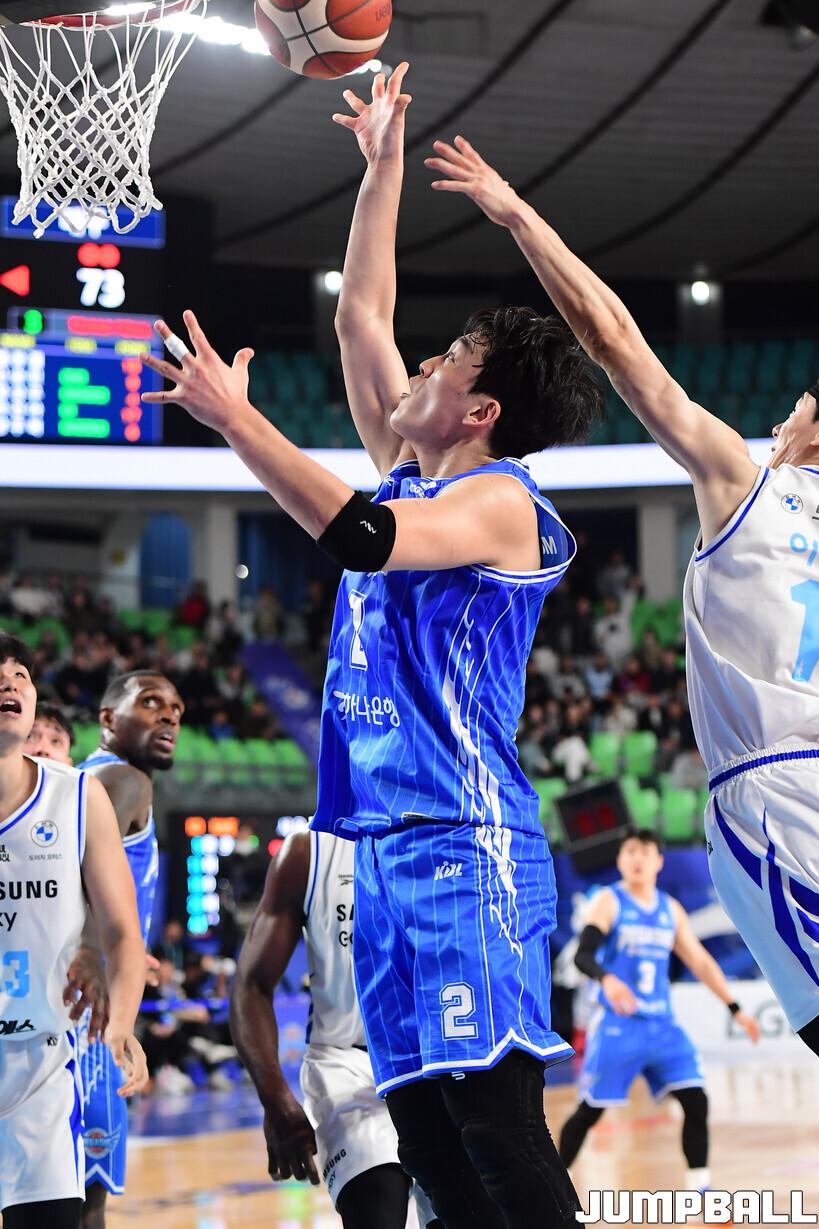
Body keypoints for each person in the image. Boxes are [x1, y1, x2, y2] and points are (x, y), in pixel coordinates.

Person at [143, 60, 603, 1229]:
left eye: (447, 362)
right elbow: (360, 315)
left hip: (464, 844)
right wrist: (383, 165)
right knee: (435, 1148)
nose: (424, 364)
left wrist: (238, 419)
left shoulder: (501, 500)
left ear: (481, 410)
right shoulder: (414, 468)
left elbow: (360, 535)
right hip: (384, 853)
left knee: (496, 1128)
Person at [422, 130, 819, 1055]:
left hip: (779, 794)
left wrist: (516, 214)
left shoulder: (749, 481)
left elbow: (610, 340)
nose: (777, 420)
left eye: (793, 410)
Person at [0, 635, 148, 1229]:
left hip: (39, 1066)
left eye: (21, 675)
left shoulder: (79, 797)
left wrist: (122, 1025)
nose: (10, 682)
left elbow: (122, 931)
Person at [230, 830, 438, 1228]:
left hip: (438, 1064)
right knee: (378, 1199)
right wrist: (274, 1097)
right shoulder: (308, 851)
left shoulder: (441, 835)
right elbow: (251, 984)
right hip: (346, 1062)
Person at [558, 829, 759, 1190]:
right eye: (630, 852)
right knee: (590, 1111)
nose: (637, 858)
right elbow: (582, 956)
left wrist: (735, 1008)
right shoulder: (608, 901)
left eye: (645, 852)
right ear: (620, 861)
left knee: (696, 1099)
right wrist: (607, 979)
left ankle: (701, 1189)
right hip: (619, 1024)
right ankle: (556, 1181)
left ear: (659, 862)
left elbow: (701, 962)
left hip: (664, 1026)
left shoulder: (670, 909)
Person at [76, 672, 183, 1229]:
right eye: (150, 703)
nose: (169, 716)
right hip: (87, 1015)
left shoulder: (83, 779)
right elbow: (90, 877)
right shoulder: (123, 779)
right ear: (107, 718)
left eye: (176, 709)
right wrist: (94, 953)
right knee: (85, 1204)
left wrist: (131, 950)